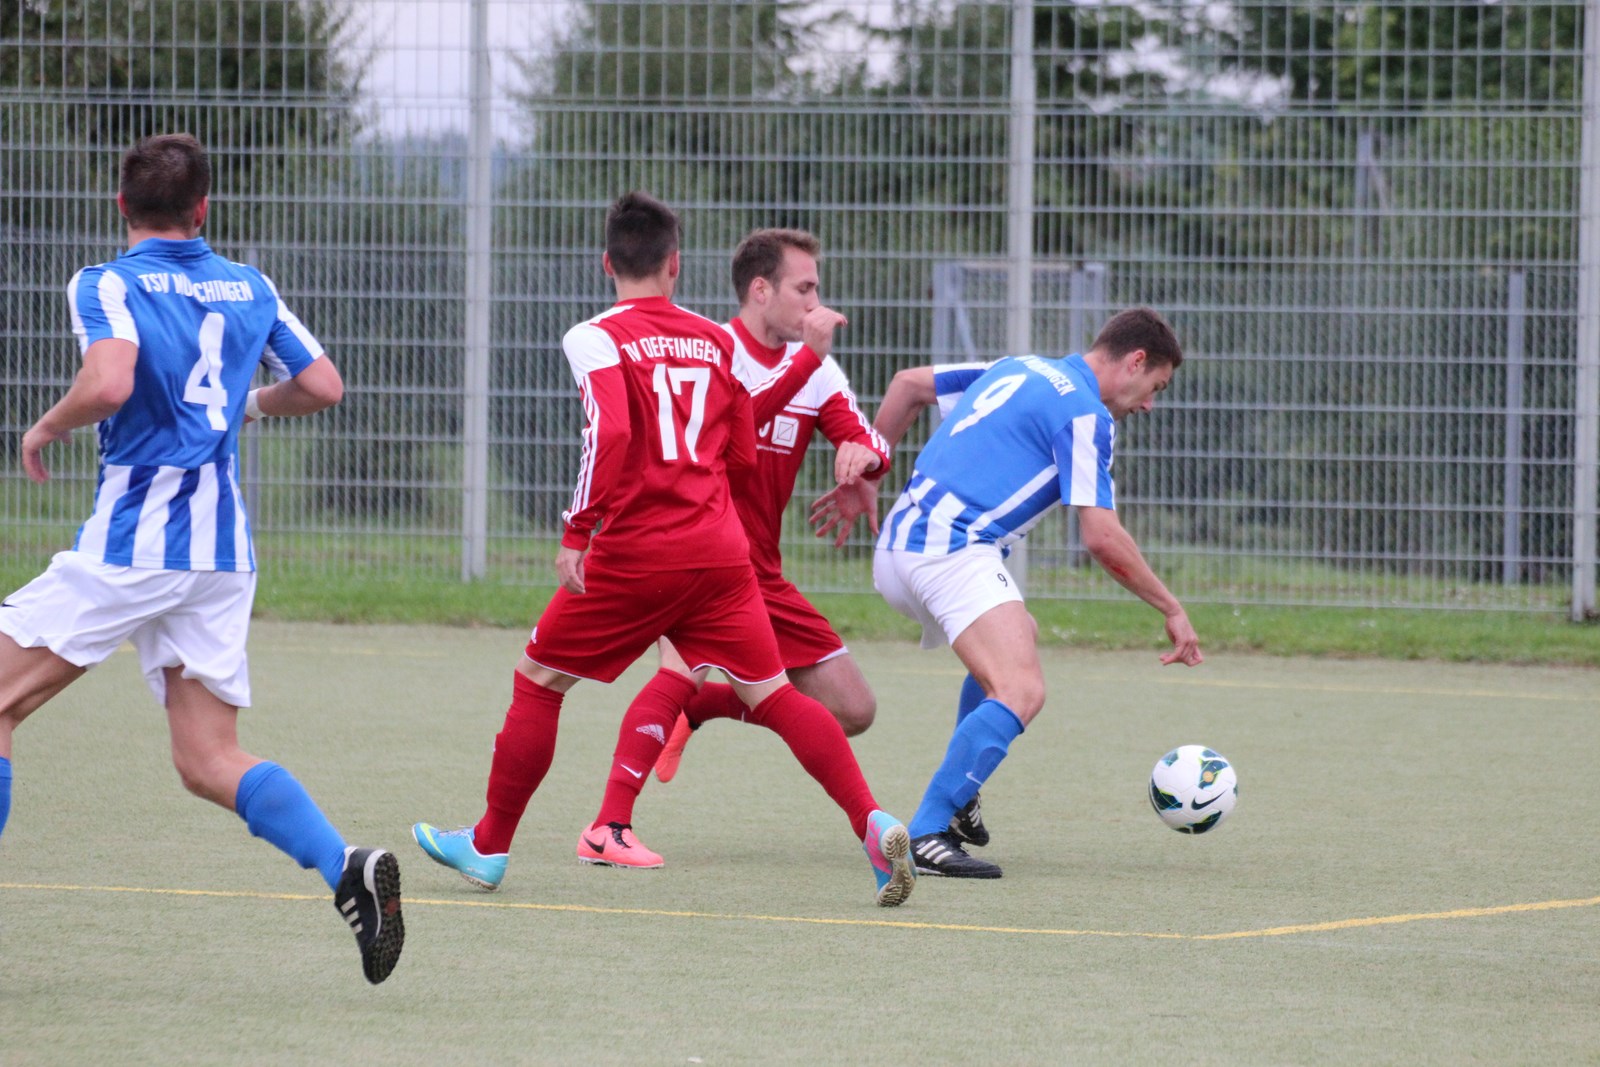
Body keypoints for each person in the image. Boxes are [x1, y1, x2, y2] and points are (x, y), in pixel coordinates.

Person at [411, 194, 915, 907]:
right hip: (720, 555)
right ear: (677, 265)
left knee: (539, 681)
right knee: (772, 694)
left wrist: (576, 530)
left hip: (637, 552)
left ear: (607, 263)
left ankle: (490, 845)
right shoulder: (714, 341)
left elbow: (609, 435)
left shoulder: (594, 336)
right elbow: (740, 453)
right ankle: (872, 821)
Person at [0, 134, 404, 983]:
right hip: (222, 551)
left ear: (122, 208)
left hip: (138, 540)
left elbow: (110, 383)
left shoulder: (108, 279)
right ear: (203, 209)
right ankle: (346, 866)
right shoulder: (248, 284)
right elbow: (324, 384)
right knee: (208, 758)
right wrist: (251, 403)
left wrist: (45, 425)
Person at [821, 307, 1203, 878]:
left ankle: (960, 794)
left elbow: (908, 386)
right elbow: (1101, 537)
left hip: (899, 547)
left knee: (1018, 636)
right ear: (1136, 361)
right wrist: (1171, 607)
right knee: (1021, 688)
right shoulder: (1086, 415)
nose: (1149, 403)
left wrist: (874, 471)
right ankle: (926, 831)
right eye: (1156, 387)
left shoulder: (1017, 365)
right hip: (949, 550)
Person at [572, 227, 892, 869]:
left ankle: (707, 706)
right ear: (759, 289)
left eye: (817, 289)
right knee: (677, 669)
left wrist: (866, 463)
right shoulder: (710, 349)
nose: (816, 303)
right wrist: (806, 361)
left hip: (761, 574)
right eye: (805, 289)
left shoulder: (819, 371)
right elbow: (732, 427)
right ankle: (608, 826)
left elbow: (869, 439)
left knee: (854, 709)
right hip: (697, 553)